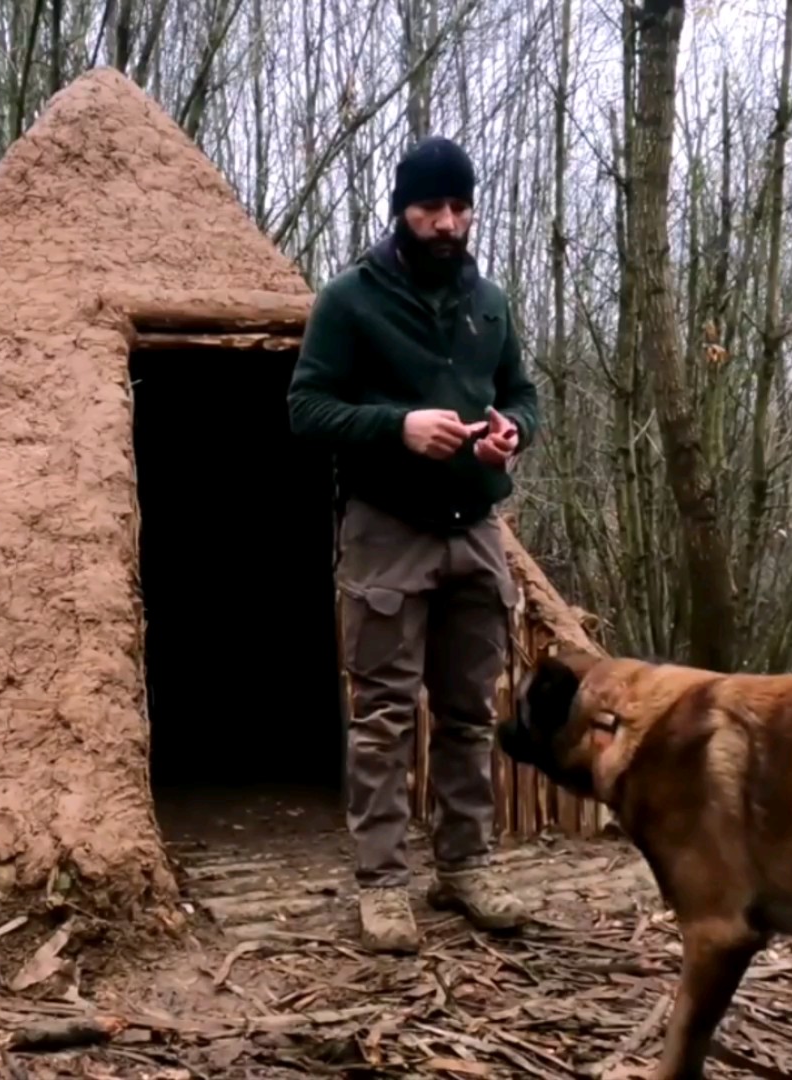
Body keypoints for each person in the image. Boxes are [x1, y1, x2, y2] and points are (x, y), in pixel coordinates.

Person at [288, 135, 542, 954]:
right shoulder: (350, 301)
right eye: (431, 206)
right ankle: (382, 884)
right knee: (384, 717)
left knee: (471, 715)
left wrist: (513, 434)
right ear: (401, 208)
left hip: (476, 532)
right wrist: (396, 426)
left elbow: (521, 394)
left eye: (460, 206)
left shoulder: (490, 303)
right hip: (388, 530)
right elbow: (307, 409)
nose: (447, 222)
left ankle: (465, 870)